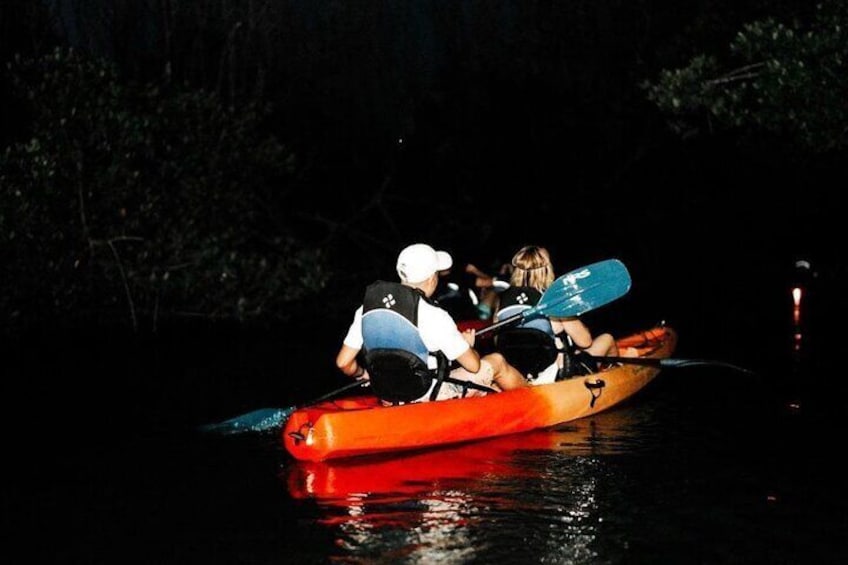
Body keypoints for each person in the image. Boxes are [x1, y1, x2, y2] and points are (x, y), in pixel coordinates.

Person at [335, 243, 528, 404]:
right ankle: (533, 399)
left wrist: (363, 373)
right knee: (496, 362)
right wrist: (468, 346)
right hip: (428, 395)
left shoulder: (367, 309)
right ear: (431, 278)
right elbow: (473, 366)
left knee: (490, 386)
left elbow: (343, 363)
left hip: (388, 395)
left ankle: (498, 403)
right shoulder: (434, 315)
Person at [494, 245, 634, 384]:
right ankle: (618, 377)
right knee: (607, 339)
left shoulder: (503, 300)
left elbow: (497, 340)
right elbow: (585, 342)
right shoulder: (553, 302)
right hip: (559, 377)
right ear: (547, 270)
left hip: (520, 373)